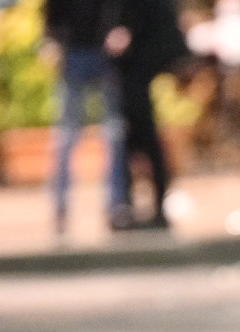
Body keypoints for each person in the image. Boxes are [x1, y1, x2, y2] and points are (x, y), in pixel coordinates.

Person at [44, 0, 128, 237]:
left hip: (102, 55)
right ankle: (60, 202)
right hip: (74, 53)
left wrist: (120, 29)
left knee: (112, 134)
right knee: (68, 134)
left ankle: (116, 202)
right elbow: (52, 16)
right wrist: (52, 41)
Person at [103, 0, 187, 231]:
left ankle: (153, 205)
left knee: (143, 139)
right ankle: (132, 205)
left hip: (140, 65)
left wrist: (128, 32)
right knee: (132, 141)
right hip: (134, 66)